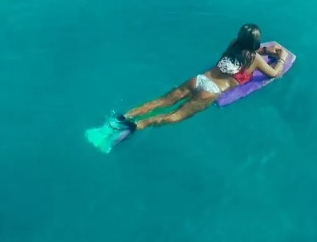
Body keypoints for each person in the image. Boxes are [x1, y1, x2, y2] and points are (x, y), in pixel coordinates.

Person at [88, 24, 286, 152]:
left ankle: (110, 125)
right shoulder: (256, 60)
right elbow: (274, 73)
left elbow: (244, 49)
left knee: (159, 102)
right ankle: (120, 136)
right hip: (210, 93)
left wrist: (265, 49)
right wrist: (281, 58)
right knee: (171, 116)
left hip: (197, 80)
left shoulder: (233, 43)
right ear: (255, 44)